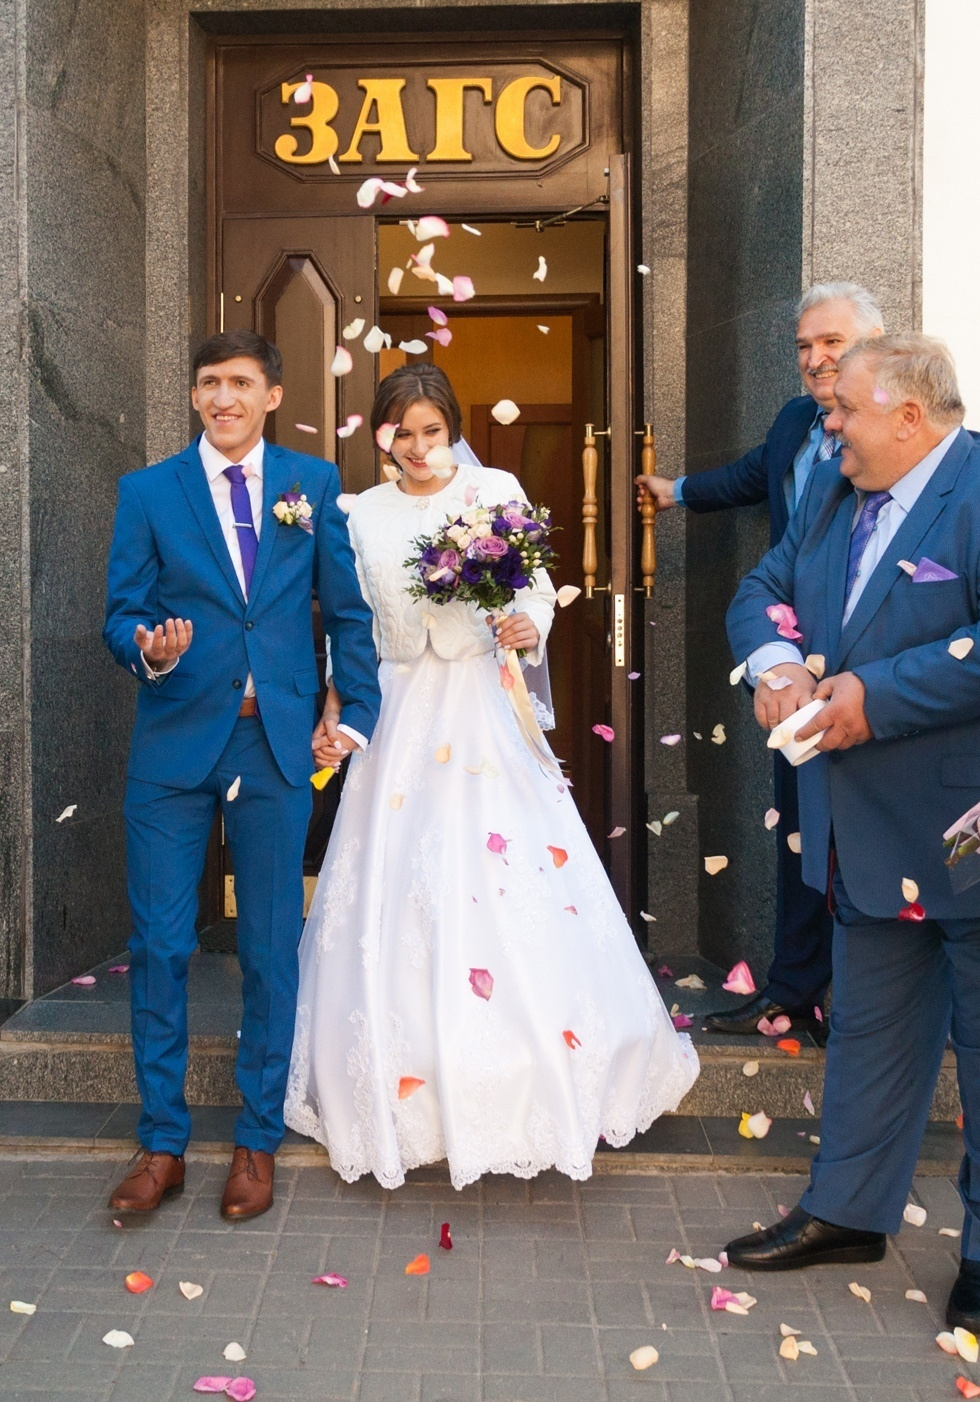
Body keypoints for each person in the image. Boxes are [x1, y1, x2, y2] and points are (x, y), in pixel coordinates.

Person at [716, 334, 980, 1340]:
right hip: (866, 832)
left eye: (845, 411)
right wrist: (779, 666)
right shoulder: (838, 495)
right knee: (873, 1032)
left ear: (910, 417)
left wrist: (872, 697)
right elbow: (762, 590)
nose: (827, 427)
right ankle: (847, 1210)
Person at [285, 362, 700, 1187]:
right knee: (394, 880)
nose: (417, 448)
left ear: (452, 429)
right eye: (401, 432)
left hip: (478, 700)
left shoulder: (493, 489)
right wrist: (338, 707)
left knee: (499, 874)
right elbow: (346, 622)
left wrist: (524, 620)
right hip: (397, 708)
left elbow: (538, 588)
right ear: (380, 435)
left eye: (431, 431)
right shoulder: (355, 514)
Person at [100, 329, 382, 1222]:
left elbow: (346, 610)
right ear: (194, 397)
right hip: (175, 745)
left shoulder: (314, 484)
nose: (224, 397)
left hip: (278, 745)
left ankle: (257, 1139)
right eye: (210, 383)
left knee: (268, 947)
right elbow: (122, 612)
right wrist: (146, 646)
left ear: (271, 395)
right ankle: (162, 1141)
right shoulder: (147, 492)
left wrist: (357, 710)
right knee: (161, 943)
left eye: (241, 382)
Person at [636, 282, 886, 1041]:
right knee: (801, 834)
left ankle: (870, 1005)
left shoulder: (901, 436)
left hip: (870, 668)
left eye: (832, 344)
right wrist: (674, 490)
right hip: (788, 664)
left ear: (873, 346)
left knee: (862, 838)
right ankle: (795, 992)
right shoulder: (795, 422)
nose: (816, 359)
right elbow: (752, 476)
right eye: (805, 346)